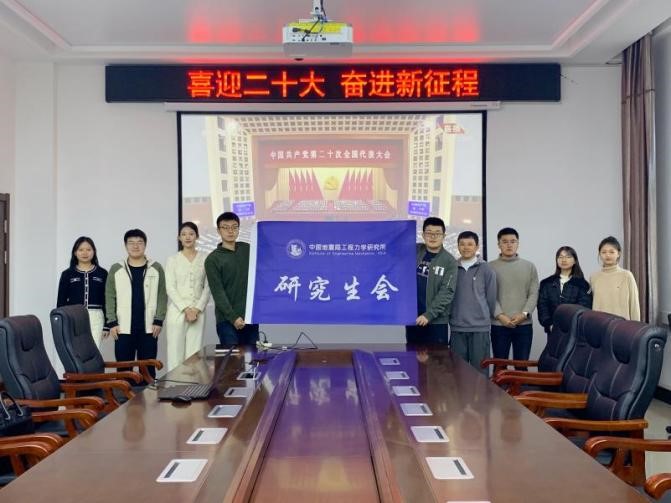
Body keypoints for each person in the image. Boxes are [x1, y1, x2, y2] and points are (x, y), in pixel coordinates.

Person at [105, 229, 167, 378]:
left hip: (149, 327)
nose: (135, 246)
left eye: (140, 242)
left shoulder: (156, 267)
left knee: (148, 369)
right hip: (123, 328)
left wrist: (158, 320)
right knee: (124, 369)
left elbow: (162, 295)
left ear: (145, 245)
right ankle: (124, 394)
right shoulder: (116, 268)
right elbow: (109, 295)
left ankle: (149, 393)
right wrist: (112, 322)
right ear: (125, 245)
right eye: (131, 242)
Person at [204, 212, 258, 345]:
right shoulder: (212, 259)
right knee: (231, 358)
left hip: (250, 318)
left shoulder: (247, 249)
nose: (230, 231)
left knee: (253, 356)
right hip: (227, 321)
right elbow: (218, 293)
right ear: (218, 231)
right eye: (225, 227)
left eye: (234, 227)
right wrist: (233, 318)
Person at [489, 227, 539, 367]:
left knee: (521, 367)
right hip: (499, 324)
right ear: (499, 244)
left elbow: (534, 293)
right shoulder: (489, 267)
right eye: (505, 242)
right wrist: (500, 316)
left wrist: (524, 314)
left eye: (513, 241)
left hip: (523, 324)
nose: (509, 245)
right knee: (500, 367)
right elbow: (489, 295)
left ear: (518, 243)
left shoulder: (529, 266)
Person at [164, 222, 211, 371]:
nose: (187, 237)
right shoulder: (173, 260)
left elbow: (208, 287)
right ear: (179, 238)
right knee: (175, 353)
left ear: (197, 236)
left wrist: (197, 309)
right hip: (177, 311)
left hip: (198, 312)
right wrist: (186, 309)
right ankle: (173, 383)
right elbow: (170, 287)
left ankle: (192, 384)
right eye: (184, 234)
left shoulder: (205, 258)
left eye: (191, 234)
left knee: (194, 354)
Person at [449, 231, 497, 374]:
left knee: (480, 372)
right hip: (457, 327)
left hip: (480, 328)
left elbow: (491, 298)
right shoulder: (452, 268)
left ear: (477, 247)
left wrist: (484, 318)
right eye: (462, 244)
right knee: (458, 372)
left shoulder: (486, 269)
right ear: (457, 246)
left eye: (470, 244)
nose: (466, 247)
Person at [405, 216, 458, 345]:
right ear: (423, 235)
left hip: (436, 321)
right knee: (413, 355)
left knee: (436, 357)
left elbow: (447, 292)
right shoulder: (415, 250)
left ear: (444, 236)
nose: (433, 237)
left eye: (437, 233)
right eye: (429, 233)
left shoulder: (449, 261)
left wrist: (429, 314)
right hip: (413, 318)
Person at [57, 236, 108, 347]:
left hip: (96, 317)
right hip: (73, 316)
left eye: (88, 249)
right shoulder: (67, 274)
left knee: (94, 349)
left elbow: (106, 300)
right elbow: (61, 301)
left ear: (94, 252)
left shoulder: (102, 273)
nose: (85, 253)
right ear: (75, 253)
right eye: (81, 250)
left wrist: (106, 325)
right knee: (75, 350)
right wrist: (61, 322)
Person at [537, 246, 592, 333]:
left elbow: (584, 308)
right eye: (560, 257)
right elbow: (542, 306)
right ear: (556, 260)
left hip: (575, 330)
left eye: (568, 257)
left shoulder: (582, 284)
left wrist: (571, 324)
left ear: (575, 261)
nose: (564, 260)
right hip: (553, 329)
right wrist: (549, 324)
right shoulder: (546, 283)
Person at [590, 236, 640, 321]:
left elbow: (634, 305)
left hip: (621, 326)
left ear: (618, 254)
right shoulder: (594, 277)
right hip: (599, 324)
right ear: (600, 254)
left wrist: (636, 326)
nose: (607, 255)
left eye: (612, 252)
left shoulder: (627, 276)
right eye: (604, 252)